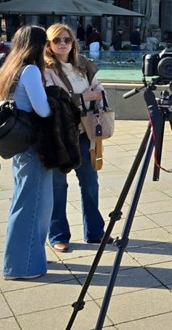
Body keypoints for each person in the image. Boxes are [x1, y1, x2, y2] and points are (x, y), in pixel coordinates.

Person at [0, 25, 53, 280]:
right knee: (33, 204)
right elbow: (43, 110)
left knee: (26, 200)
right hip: (33, 143)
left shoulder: (10, 68)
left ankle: (29, 257)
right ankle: (22, 266)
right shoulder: (30, 70)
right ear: (38, 45)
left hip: (18, 143)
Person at [42, 23, 106, 253]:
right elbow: (53, 102)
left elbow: (98, 88)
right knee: (58, 186)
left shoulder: (83, 66)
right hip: (58, 135)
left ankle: (95, 232)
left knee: (90, 182)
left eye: (67, 40)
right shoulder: (46, 70)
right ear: (49, 44)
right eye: (57, 40)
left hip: (84, 132)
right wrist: (83, 98)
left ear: (73, 43)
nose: (62, 44)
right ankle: (58, 235)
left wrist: (93, 96)